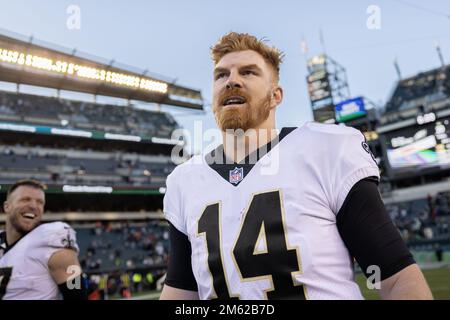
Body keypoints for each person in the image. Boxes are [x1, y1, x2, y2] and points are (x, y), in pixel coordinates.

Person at [159, 32, 433, 300]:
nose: (232, 81)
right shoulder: (185, 181)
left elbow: (397, 279)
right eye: (222, 75)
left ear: (275, 95)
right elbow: (181, 291)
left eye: (248, 72)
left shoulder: (324, 150)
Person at [0, 179, 86, 300]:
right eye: (25, 199)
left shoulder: (52, 239)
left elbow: (77, 295)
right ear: (7, 207)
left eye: (40, 202)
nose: (34, 206)